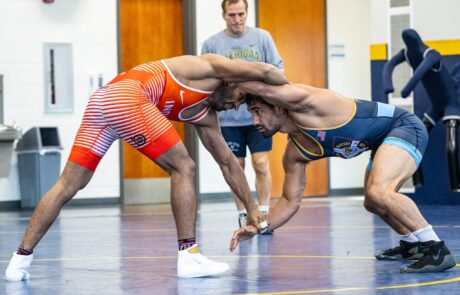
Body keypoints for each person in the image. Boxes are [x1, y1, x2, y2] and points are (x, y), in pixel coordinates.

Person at [5, 54, 288, 281]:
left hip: (103, 101)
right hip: (125, 97)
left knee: (68, 184)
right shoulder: (210, 67)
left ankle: (19, 262)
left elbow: (228, 163)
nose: (237, 105)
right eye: (241, 96)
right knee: (183, 167)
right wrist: (288, 94)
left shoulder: (205, 115)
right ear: (234, 79)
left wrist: (255, 213)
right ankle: (189, 256)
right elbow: (263, 71)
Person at [228, 81, 457, 273]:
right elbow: (290, 201)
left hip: (405, 125)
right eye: (251, 114)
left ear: (278, 107)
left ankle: (436, 248)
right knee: (372, 201)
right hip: (381, 140)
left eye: (258, 111)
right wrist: (258, 227)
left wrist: (232, 80)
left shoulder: (314, 105)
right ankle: (412, 244)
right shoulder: (295, 152)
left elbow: (269, 77)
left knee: (380, 191)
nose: (254, 122)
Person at [201, 0, 284, 229]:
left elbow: (278, 68)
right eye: (231, 15)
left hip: (258, 115)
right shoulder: (211, 44)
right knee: (235, 164)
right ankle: (243, 212)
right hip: (228, 119)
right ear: (223, 15)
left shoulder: (262, 38)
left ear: (247, 13)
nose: (236, 19)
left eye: (240, 14)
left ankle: (264, 213)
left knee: (261, 162)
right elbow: (205, 80)